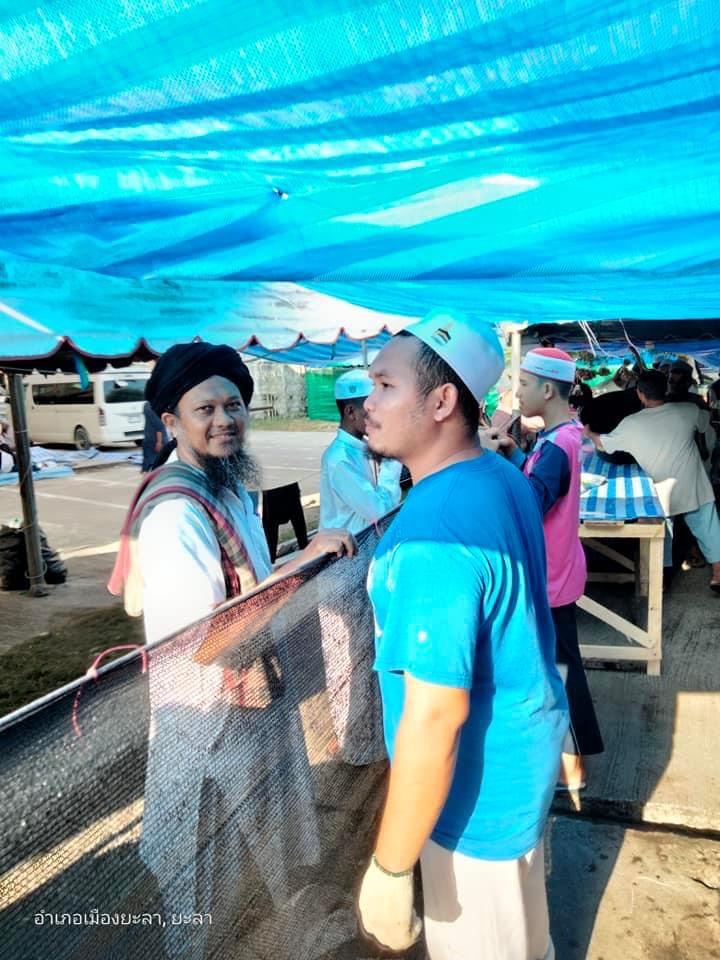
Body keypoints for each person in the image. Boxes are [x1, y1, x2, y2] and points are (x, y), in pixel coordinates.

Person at [109, 341, 355, 954]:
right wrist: (302, 568)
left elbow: (251, 583)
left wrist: (297, 562)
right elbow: (208, 641)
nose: (225, 420)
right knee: (203, 868)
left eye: (234, 405)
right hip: (208, 723)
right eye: (206, 410)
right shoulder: (176, 515)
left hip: (249, 709)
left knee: (256, 853)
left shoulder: (225, 488)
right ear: (172, 422)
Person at [355, 310, 568, 960]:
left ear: (442, 401)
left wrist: (391, 866)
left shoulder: (435, 533)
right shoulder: (499, 477)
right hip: (520, 763)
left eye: (385, 385)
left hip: (474, 803)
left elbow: (435, 715)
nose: (367, 402)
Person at [484, 348, 604, 792]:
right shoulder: (561, 436)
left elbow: (531, 504)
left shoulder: (556, 445)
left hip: (549, 577)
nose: (516, 393)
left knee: (560, 670)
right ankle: (569, 761)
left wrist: (492, 465)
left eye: (523, 384)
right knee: (558, 665)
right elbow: (539, 482)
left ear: (548, 389)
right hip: (557, 570)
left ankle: (573, 767)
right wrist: (515, 455)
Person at [585, 368, 720, 593]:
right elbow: (705, 424)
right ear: (666, 389)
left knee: (660, 533)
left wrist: (589, 433)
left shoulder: (631, 424)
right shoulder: (688, 410)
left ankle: (660, 579)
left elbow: (603, 445)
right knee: (707, 525)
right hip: (692, 483)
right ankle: (718, 573)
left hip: (659, 490)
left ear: (640, 393)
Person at [319, 369, 402, 533]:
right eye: (371, 410)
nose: (380, 417)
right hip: (350, 547)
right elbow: (380, 511)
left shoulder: (361, 446)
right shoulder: (340, 460)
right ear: (351, 412)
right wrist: (391, 459)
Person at [140, 399, 169, 472]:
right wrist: (159, 442)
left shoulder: (146, 405)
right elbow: (159, 427)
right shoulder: (156, 406)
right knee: (157, 466)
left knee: (147, 466)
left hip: (148, 438)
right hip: (157, 440)